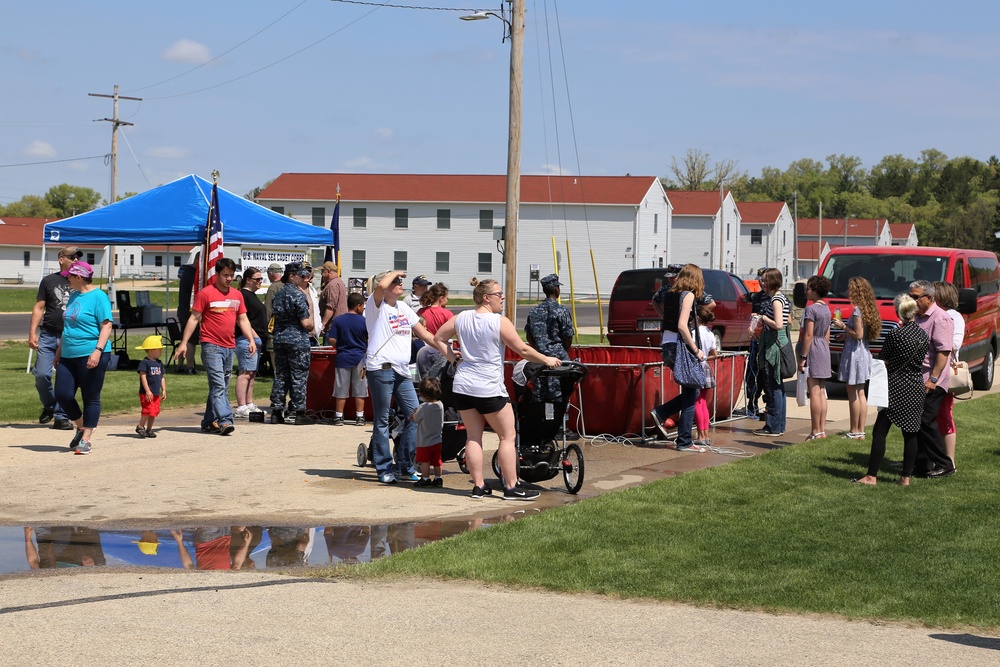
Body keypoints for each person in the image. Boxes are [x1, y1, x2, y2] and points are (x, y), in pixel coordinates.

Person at [433, 277, 562, 500]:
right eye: (498, 294)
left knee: (473, 436)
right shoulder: (498, 321)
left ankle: (479, 486)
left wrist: (453, 359)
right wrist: (547, 359)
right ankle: (511, 487)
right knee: (507, 436)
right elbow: (523, 349)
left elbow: (438, 337)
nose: (502, 297)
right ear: (486, 297)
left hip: (463, 385)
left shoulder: (460, 318)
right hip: (488, 388)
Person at [365, 270, 438, 484]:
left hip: (402, 370)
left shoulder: (404, 307)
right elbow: (379, 289)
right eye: (395, 281)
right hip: (380, 368)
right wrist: (394, 271)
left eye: (399, 281)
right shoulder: (375, 305)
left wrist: (447, 350)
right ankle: (383, 468)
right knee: (381, 421)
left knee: (416, 415)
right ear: (385, 285)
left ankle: (405, 464)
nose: (400, 283)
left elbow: (424, 334)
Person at [173, 257, 256, 436]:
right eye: (225, 275)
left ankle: (209, 421)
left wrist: (250, 339)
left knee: (221, 386)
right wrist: (184, 343)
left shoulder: (237, 295)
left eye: (231, 276)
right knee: (219, 385)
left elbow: (242, 319)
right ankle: (225, 420)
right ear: (217, 274)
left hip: (229, 346)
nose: (228, 279)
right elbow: (194, 318)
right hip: (211, 346)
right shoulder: (206, 293)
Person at [853, 295, 928, 486]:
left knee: (880, 432)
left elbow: (884, 357)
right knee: (911, 433)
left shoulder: (896, 335)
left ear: (899, 312)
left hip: (895, 386)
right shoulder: (923, 336)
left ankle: (871, 475)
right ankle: (905, 477)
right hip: (915, 386)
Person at [54, 261, 112, 456]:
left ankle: (86, 439)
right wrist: (59, 351)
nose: (67, 279)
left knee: (90, 396)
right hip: (68, 355)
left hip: (91, 352)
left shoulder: (99, 297)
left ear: (78, 277)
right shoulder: (74, 296)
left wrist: (98, 350)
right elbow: (68, 327)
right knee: (62, 394)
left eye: (69, 276)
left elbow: (106, 326)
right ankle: (80, 426)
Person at [648, 263, 709, 452]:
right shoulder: (688, 295)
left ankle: (662, 412)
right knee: (692, 392)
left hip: (667, 345)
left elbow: (669, 317)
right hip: (679, 346)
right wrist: (696, 349)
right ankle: (684, 441)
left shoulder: (670, 293)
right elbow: (683, 326)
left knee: (692, 391)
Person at [28, 245, 80, 431]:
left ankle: (61, 416)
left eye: (77, 257)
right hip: (49, 334)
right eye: (72, 257)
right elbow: (39, 307)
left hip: (71, 336)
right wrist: (32, 332)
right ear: (61, 259)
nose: (75, 260)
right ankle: (50, 406)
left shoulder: (81, 280)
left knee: (66, 379)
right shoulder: (49, 281)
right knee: (42, 375)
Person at [910, 280, 956, 477]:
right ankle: (921, 465)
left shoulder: (940, 318)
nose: (911, 301)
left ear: (929, 298)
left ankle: (945, 464)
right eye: (910, 296)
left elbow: (944, 352)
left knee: (925, 421)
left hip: (933, 380)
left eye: (915, 297)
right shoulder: (918, 317)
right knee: (918, 422)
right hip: (917, 378)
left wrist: (934, 379)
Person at [833, 276, 880, 440]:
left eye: (850, 289)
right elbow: (860, 335)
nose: (848, 292)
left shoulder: (858, 310)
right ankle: (860, 431)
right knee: (860, 392)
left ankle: (854, 430)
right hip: (863, 351)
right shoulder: (868, 308)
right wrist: (845, 335)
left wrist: (843, 326)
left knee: (853, 391)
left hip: (855, 354)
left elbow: (858, 334)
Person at [269, 261, 316, 426]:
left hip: (280, 338)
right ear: (292, 276)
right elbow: (306, 323)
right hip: (297, 339)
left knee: (281, 375)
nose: (305, 278)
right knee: (299, 375)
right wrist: (313, 325)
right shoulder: (298, 295)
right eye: (302, 275)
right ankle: (299, 411)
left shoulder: (278, 294)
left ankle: (276, 411)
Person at [525, 273, 575, 403]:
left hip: (539, 359)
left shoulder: (534, 311)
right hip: (560, 359)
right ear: (557, 289)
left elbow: (529, 335)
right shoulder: (561, 310)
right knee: (563, 393)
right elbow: (568, 336)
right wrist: (563, 350)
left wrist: (537, 349)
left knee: (539, 395)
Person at [754, 268, 790, 437]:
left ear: (772, 281)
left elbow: (779, 324)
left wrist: (763, 318)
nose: (762, 282)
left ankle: (773, 427)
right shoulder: (781, 298)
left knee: (774, 385)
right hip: (775, 344)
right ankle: (779, 425)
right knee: (778, 387)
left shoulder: (776, 300)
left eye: (765, 280)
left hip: (773, 348)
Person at [933, 281, 965, 470]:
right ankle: (930, 457)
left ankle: (949, 461)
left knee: (944, 417)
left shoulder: (954, 316)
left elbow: (956, 343)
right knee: (930, 418)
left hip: (945, 374)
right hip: (932, 371)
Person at [798, 275, 832, 441]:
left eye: (809, 288)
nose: (807, 291)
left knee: (814, 392)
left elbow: (808, 334)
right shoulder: (827, 308)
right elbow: (827, 334)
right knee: (822, 391)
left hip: (814, 349)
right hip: (824, 348)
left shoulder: (811, 309)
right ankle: (822, 430)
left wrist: (803, 356)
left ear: (815, 291)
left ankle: (815, 430)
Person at [329, 292, 369, 426]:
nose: (363, 308)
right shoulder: (364, 321)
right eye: (363, 305)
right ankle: (360, 416)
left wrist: (339, 347)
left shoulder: (338, 320)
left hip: (342, 357)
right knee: (360, 389)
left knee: (341, 388)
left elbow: (332, 339)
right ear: (358, 306)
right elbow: (369, 339)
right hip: (360, 359)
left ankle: (339, 416)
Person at [234, 267, 268, 418]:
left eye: (261, 279)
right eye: (257, 279)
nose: (260, 281)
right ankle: (241, 406)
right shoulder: (243, 295)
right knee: (245, 372)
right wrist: (252, 337)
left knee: (252, 373)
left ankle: (249, 403)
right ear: (248, 280)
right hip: (247, 339)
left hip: (256, 339)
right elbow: (242, 319)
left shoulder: (253, 295)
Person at [411, 376, 445, 488]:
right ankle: (438, 478)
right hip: (437, 439)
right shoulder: (440, 405)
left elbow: (416, 419)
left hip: (424, 441)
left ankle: (425, 478)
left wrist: (414, 413)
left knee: (424, 461)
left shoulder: (423, 407)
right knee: (437, 460)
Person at [694, 303, 718, 447]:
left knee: (697, 402)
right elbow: (714, 355)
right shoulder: (710, 333)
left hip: (696, 368)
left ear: (697, 318)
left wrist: (699, 357)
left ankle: (700, 436)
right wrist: (704, 358)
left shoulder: (693, 332)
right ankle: (705, 435)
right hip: (706, 367)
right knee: (703, 402)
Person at [135, 334, 166, 439]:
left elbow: (162, 377)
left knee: (154, 411)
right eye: (159, 350)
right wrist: (147, 390)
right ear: (151, 350)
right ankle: (140, 426)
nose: (161, 351)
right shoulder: (145, 363)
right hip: (146, 393)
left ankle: (149, 429)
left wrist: (164, 390)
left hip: (156, 392)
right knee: (147, 410)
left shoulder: (159, 363)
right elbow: (143, 377)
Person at [319, 261, 348, 344]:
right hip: (340, 325)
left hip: (332, 327)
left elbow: (331, 307)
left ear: (327, 272)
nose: (322, 275)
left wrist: (323, 324)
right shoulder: (340, 282)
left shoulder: (332, 285)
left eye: (322, 272)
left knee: (329, 353)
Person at [263, 261, 285, 373]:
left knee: (275, 357)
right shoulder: (287, 285)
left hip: (275, 328)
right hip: (286, 329)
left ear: (271, 274)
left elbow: (268, 310)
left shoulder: (273, 287)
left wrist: (268, 329)